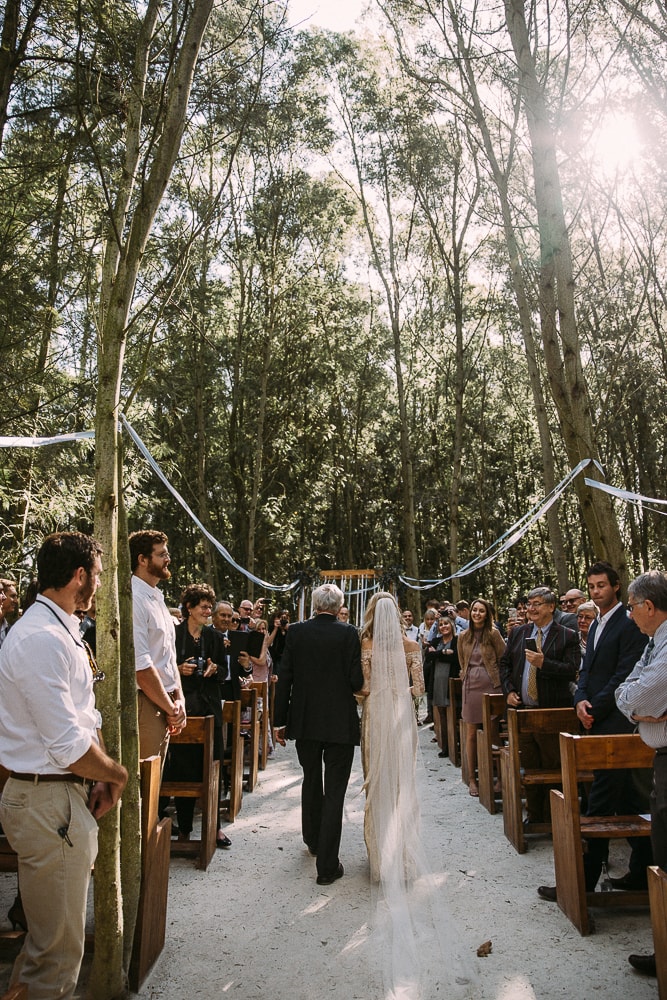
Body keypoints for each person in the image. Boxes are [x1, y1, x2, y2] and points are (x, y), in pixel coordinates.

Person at [0, 532, 128, 1000]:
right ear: (80, 576)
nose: (97, 584)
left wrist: (94, 777)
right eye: (96, 574)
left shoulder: (60, 629)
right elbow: (66, 745)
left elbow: (81, 714)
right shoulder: (41, 638)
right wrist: (117, 774)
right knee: (55, 962)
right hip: (47, 800)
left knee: (48, 949)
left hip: (59, 797)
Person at [539, 560, 650, 902]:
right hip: (594, 717)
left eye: (602, 585)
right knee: (629, 797)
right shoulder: (596, 623)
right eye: (592, 586)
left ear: (616, 587)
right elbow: (586, 670)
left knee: (600, 803)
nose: (596, 591)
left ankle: (581, 883)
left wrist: (595, 707)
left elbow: (624, 674)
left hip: (616, 721)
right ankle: (644, 871)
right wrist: (580, 701)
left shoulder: (627, 623)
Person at [273, 583, 363, 885]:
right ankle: (327, 866)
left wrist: (279, 721)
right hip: (340, 722)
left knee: (311, 780)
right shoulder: (349, 633)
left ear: (314, 605)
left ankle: (312, 839)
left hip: (306, 721)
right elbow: (355, 680)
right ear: (339, 607)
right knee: (335, 791)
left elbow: (285, 677)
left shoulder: (297, 633)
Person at [615, 570, 667, 977]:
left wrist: (636, 703)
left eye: (631, 607)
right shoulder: (654, 642)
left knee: (665, 857)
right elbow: (628, 691)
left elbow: (642, 692)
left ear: (648, 606)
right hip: (661, 755)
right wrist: (636, 705)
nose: (630, 615)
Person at [356, 592, 424, 878]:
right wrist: (401, 693)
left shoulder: (365, 645)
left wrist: (369, 697)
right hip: (400, 713)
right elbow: (419, 690)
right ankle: (403, 855)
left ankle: (379, 859)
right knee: (400, 781)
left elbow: (362, 689)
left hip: (376, 713)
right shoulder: (411, 646)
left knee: (376, 779)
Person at [499, 587, 580, 822]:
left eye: (537, 604)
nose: (531, 609)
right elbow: (504, 665)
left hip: (551, 712)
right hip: (522, 712)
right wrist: (509, 691)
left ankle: (557, 817)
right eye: (529, 604)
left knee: (553, 766)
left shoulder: (566, 635)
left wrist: (545, 663)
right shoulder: (518, 633)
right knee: (530, 767)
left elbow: (571, 671)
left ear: (551, 607)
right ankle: (534, 815)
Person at [168, 583, 231, 849]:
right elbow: (163, 668)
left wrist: (214, 669)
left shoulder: (215, 638)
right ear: (189, 608)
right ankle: (183, 828)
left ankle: (215, 827)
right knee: (184, 770)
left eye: (210, 606)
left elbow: (225, 675)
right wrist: (178, 669)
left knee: (213, 768)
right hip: (184, 710)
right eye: (204, 607)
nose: (209, 611)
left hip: (209, 710)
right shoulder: (174, 634)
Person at [130, 530, 186, 764]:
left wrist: (179, 698)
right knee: (144, 784)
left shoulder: (157, 597)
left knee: (155, 786)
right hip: (146, 702)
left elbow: (169, 657)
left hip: (166, 701)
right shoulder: (133, 598)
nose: (168, 559)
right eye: (161, 554)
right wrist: (170, 707)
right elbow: (141, 665)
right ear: (143, 560)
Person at [457, 598, 506, 797]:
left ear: (487, 614)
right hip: (470, 686)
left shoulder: (493, 634)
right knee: (470, 733)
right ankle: (472, 779)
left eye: (481, 611)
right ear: (470, 613)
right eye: (475, 610)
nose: (477, 614)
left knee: (493, 731)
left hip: (491, 685)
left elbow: (504, 657)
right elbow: (462, 661)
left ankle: (500, 776)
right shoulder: (463, 636)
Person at [424, 615, 459, 756]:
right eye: (441, 624)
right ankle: (445, 747)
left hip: (451, 681)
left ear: (452, 625)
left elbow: (455, 657)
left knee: (454, 715)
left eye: (446, 624)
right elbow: (428, 656)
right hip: (437, 681)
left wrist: (437, 654)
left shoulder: (457, 641)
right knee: (442, 716)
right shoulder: (436, 640)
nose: (443, 626)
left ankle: (456, 746)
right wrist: (443, 652)